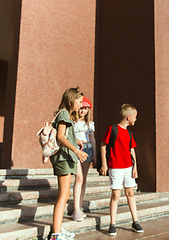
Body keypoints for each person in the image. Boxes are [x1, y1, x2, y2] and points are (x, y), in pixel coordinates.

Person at [50, 87, 88, 240]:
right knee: (63, 196)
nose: (80, 105)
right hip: (64, 159)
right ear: (72, 100)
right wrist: (77, 151)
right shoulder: (64, 113)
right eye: (79, 102)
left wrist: (76, 141)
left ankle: (57, 229)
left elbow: (64, 136)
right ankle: (56, 234)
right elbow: (60, 137)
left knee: (64, 195)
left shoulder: (64, 114)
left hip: (66, 158)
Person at [99, 104, 143, 236]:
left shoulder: (129, 133)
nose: (136, 119)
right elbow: (103, 146)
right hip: (115, 168)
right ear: (128, 117)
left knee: (130, 193)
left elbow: (132, 150)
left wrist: (135, 167)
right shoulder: (112, 129)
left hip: (128, 168)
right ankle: (113, 224)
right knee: (116, 195)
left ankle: (135, 221)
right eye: (135, 117)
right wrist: (104, 164)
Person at [72, 96, 96, 221]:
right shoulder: (72, 122)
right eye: (82, 108)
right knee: (78, 178)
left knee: (83, 179)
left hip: (87, 149)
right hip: (76, 149)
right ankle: (75, 209)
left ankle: (79, 206)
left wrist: (95, 155)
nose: (83, 111)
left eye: (86, 109)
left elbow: (93, 140)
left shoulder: (89, 124)